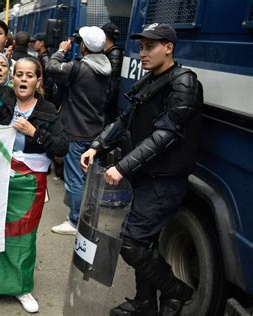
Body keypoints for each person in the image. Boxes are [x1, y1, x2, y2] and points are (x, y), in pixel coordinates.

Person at [80, 23, 202, 316]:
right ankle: (146, 303)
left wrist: (122, 167)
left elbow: (165, 134)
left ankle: (176, 291)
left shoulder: (183, 82)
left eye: (150, 46)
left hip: (165, 179)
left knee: (133, 242)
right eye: (141, 46)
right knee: (144, 241)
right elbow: (124, 120)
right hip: (146, 175)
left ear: (168, 48)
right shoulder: (151, 80)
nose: (142, 53)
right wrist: (97, 145)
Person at [0, 56, 68, 314]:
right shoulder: (2, 98)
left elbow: (62, 147)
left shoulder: (48, 109)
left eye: (30, 75)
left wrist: (34, 133)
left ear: (38, 80)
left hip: (31, 183)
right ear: (12, 78)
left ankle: (21, 288)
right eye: (19, 74)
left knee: (23, 238)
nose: (23, 79)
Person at [46, 26, 111, 235]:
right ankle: (88, 217)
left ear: (83, 46)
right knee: (89, 179)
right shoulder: (106, 68)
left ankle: (75, 221)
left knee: (74, 178)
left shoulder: (77, 68)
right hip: (95, 132)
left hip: (75, 130)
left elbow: (51, 67)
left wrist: (61, 50)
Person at [101, 22, 124, 123]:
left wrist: (104, 105)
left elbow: (112, 83)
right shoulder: (107, 52)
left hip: (108, 107)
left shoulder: (114, 53)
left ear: (104, 36)